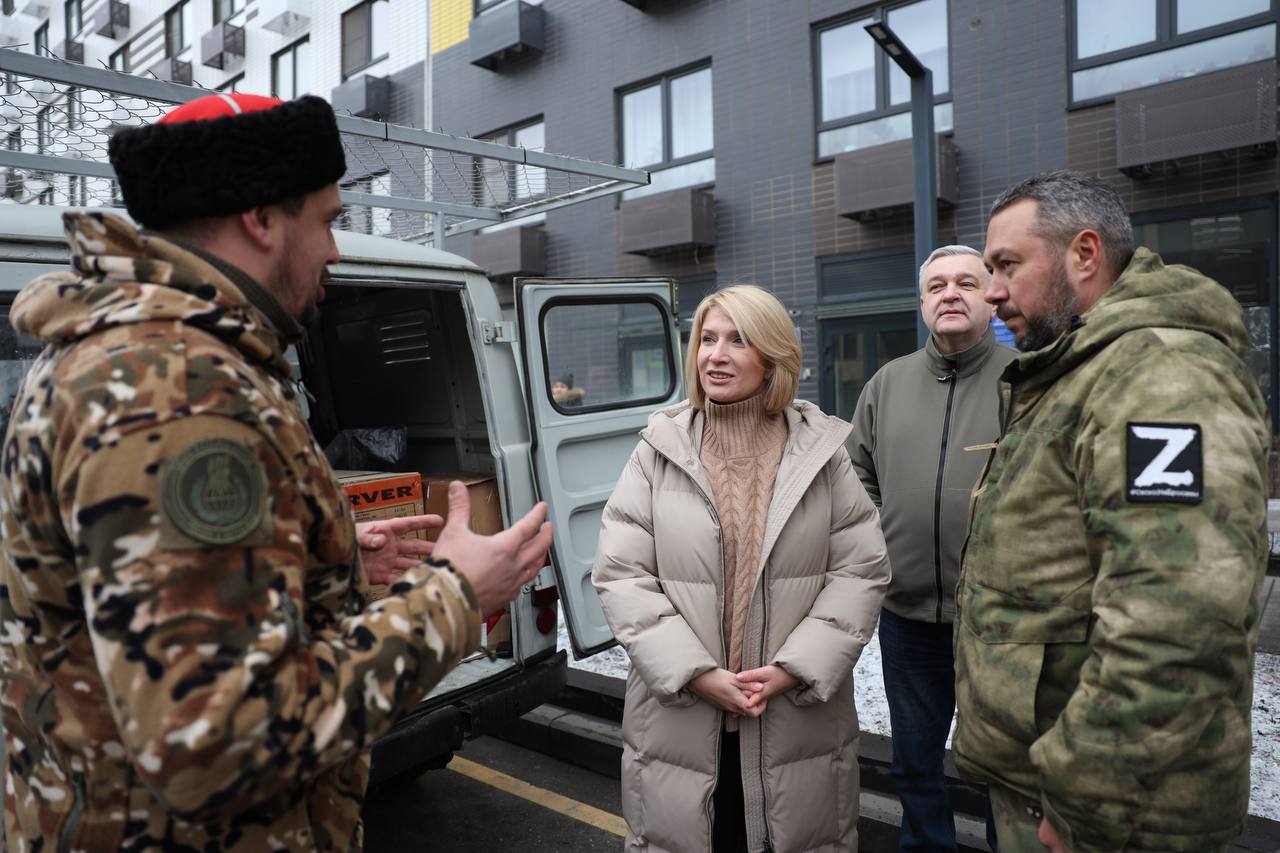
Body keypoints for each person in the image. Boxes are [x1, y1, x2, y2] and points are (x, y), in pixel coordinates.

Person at [0, 93, 553, 851]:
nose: (336, 250)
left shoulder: (123, 353)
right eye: (327, 220)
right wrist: (455, 596)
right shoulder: (180, 391)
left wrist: (319, 562)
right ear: (261, 219)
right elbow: (213, 744)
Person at [954, 169, 1269, 852]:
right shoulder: (1083, 367)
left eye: (1007, 265)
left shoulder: (1162, 377)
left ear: (1085, 253)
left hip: (1116, 815)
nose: (992, 291)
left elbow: (1178, 622)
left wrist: (1086, 799)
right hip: (1054, 785)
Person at [592, 284, 891, 852]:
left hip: (794, 715)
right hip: (682, 714)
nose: (716, 355)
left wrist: (792, 669)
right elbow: (621, 573)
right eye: (707, 340)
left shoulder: (822, 454)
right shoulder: (658, 448)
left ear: (772, 358)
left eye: (737, 340)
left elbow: (860, 570)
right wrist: (695, 673)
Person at [848, 245, 1012, 852]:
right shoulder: (887, 384)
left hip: (1000, 621)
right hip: (908, 616)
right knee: (915, 765)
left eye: (966, 282)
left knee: (1004, 771)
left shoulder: (1026, 379)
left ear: (990, 298)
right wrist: (881, 534)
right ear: (922, 304)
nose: (950, 293)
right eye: (937, 285)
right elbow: (855, 473)